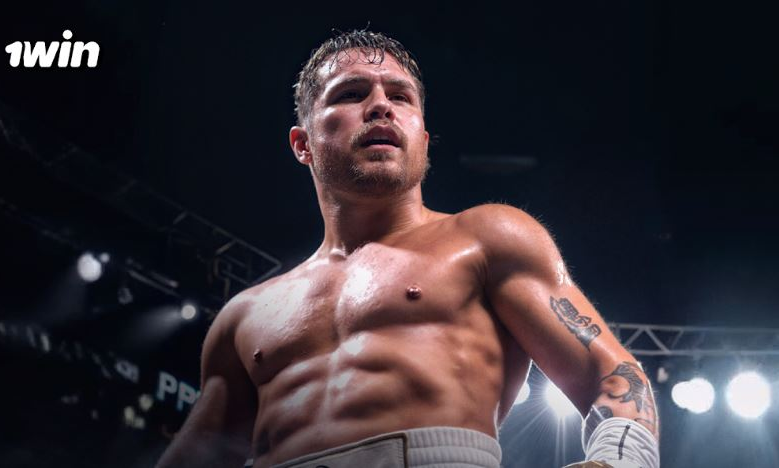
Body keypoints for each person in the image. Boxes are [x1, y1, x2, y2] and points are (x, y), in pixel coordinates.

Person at [155, 30, 660, 468]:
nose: (381, 105)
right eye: (351, 93)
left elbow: (612, 375)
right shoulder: (244, 317)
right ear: (302, 144)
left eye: (401, 96)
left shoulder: (487, 238)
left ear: (423, 136)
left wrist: (616, 462)